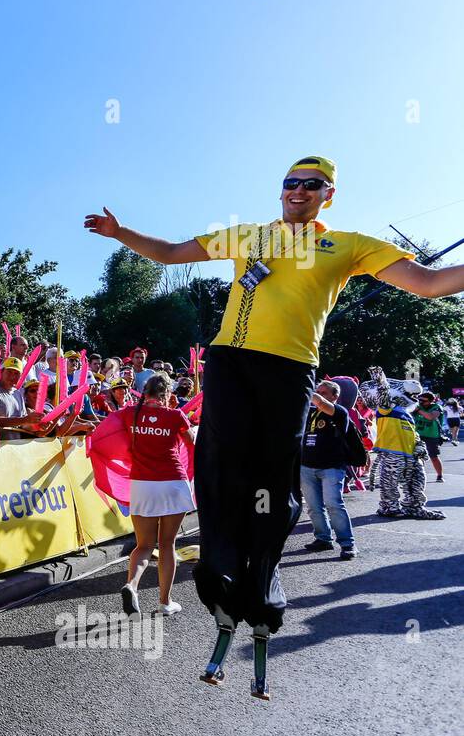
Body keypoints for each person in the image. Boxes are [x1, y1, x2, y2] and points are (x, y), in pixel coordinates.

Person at [86, 154, 464, 700]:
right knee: (222, 466)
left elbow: (427, 284)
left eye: (311, 185)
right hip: (229, 361)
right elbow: (169, 253)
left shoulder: (350, 245)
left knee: (272, 477)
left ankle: (263, 575)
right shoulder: (248, 236)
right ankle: (220, 570)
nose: (298, 191)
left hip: (289, 368)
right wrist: (122, 234)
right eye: (290, 182)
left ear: (327, 194)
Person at [117, 374, 195, 619]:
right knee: (167, 543)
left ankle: (132, 585)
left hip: (142, 483)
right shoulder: (175, 415)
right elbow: (191, 442)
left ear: (144, 391)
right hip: (172, 481)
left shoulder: (130, 413)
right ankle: (165, 601)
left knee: (143, 546)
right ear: (167, 395)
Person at [364, 368, 444, 520]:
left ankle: (415, 506)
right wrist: (381, 381)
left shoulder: (407, 412)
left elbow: (411, 433)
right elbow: (384, 396)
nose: (418, 400)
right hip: (392, 453)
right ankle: (389, 507)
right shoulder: (386, 409)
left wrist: (419, 445)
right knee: (390, 482)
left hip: (411, 454)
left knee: (418, 480)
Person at [299, 379, 358, 560]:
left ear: (335, 396)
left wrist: (305, 387)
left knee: (334, 505)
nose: (318, 395)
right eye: (318, 391)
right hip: (307, 466)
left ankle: (348, 544)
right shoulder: (310, 414)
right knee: (314, 508)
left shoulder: (340, 412)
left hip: (331, 467)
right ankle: (323, 539)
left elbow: (322, 403)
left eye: (323, 392)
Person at [413, 390, 445, 482]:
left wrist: (418, 410)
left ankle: (439, 475)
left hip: (432, 436)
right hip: (417, 435)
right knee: (416, 457)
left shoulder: (437, 407)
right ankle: (418, 476)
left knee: (433, 457)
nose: (421, 402)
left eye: (423, 401)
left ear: (431, 401)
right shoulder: (417, 406)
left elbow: (431, 417)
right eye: (420, 400)